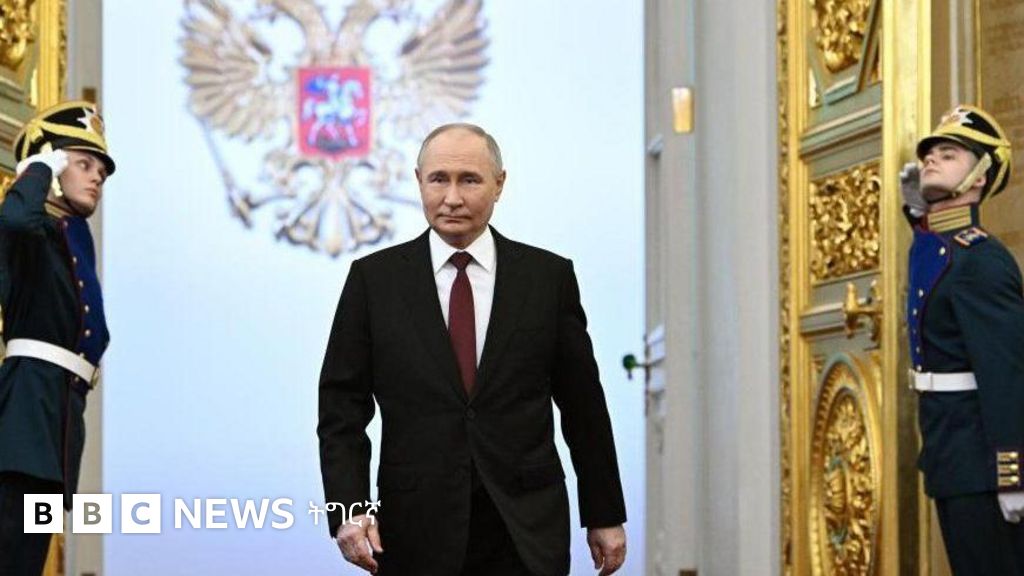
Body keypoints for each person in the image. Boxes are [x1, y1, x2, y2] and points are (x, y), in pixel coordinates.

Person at [318, 123, 627, 576]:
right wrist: (349, 509)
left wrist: (604, 512)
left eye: (469, 180)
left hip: (526, 527)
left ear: (499, 184)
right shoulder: (374, 280)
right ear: (418, 181)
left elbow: (583, 406)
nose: (452, 198)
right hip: (414, 528)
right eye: (438, 179)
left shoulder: (547, 279)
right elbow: (341, 408)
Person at [900, 104, 1024, 574]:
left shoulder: (982, 261)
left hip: (982, 462)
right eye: (929, 154)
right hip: (952, 453)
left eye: (949, 154)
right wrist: (917, 217)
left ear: (979, 177)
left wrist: (1012, 472)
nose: (931, 159)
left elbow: (1006, 373)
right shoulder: (946, 249)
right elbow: (933, 265)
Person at [0, 100, 114, 575]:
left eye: (101, 172)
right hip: (26, 419)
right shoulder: (30, 231)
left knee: (29, 560)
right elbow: (14, 219)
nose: (96, 178)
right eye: (83, 164)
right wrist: (39, 167)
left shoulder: (73, 234)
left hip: (58, 427)